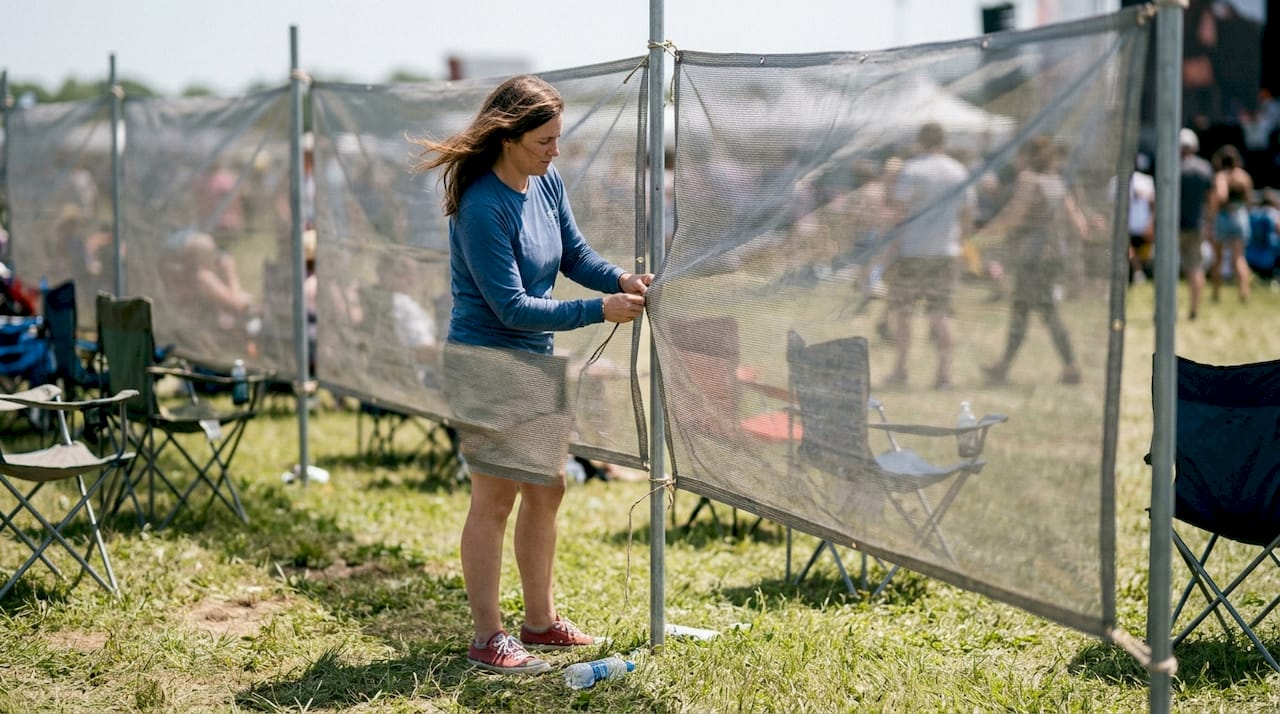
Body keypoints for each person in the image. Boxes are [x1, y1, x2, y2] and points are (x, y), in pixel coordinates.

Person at [409, 74, 653, 675]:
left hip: (534, 361)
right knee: (495, 499)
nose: (556, 150)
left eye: (558, 138)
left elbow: (574, 255)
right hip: (487, 362)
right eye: (545, 140)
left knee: (548, 488)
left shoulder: (546, 183)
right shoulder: (481, 206)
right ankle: (487, 637)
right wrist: (599, 309)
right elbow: (511, 307)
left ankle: (539, 625)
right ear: (510, 137)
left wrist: (618, 278)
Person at [978, 136, 1089, 386]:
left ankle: (1069, 367)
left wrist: (984, 236)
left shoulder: (1029, 180)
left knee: (1039, 312)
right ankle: (1005, 366)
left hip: (1033, 257)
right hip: (1051, 257)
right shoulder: (1057, 182)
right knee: (1029, 311)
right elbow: (1079, 224)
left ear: (1027, 156)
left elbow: (1014, 215)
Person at [884, 122, 974, 390]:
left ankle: (901, 370)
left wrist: (889, 181)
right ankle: (944, 376)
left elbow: (897, 207)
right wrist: (960, 242)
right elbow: (968, 212)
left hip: (912, 250)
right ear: (943, 142)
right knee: (941, 313)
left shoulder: (912, 169)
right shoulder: (958, 171)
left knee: (904, 313)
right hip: (945, 252)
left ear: (920, 142)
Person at [1207, 144, 1253, 303]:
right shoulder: (1244, 176)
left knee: (1218, 258)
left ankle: (1216, 293)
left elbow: (1221, 195)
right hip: (1240, 215)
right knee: (1239, 257)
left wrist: (1212, 215)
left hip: (1224, 216)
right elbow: (1249, 199)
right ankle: (1244, 292)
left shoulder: (1221, 176)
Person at [1178, 128, 1214, 320]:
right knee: (1196, 267)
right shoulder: (1204, 168)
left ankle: (1166, 310)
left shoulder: (1172, 168)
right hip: (1197, 226)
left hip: (1173, 226)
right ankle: (1194, 310)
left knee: (1168, 268)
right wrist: (1209, 221)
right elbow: (1211, 198)